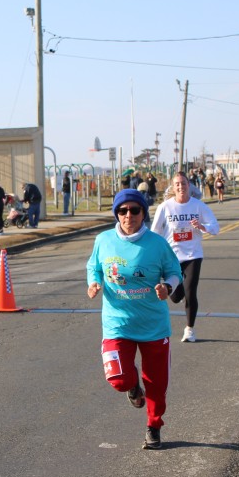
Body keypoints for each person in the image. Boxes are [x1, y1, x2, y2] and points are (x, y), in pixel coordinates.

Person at [87, 189, 182, 450]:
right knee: (118, 379)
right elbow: (94, 267)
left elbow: (175, 271)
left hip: (153, 325)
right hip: (117, 323)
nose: (128, 215)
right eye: (122, 210)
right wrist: (94, 282)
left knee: (156, 384)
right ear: (116, 214)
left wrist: (168, 287)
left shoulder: (157, 243)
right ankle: (132, 387)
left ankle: (154, 426)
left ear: (143, 213)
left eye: (134, 210)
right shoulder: (103, 240)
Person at [150, 172, 219, 344]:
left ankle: (189, 329)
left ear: (189, 185)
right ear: (173, 188)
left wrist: (202, 226)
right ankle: (179, 293)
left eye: (183, 183)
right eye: (177, 184)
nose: (181, 187)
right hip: (171, 258)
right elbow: (155, 232)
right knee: (174, 297)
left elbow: (215, 227)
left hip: (193, 255)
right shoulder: (165, 207)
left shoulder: (198, 206)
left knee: (190, 292)